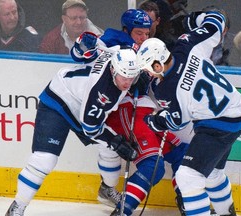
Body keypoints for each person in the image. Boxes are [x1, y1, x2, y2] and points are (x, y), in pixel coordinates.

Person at [71, 9, 191, 216]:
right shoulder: (113, 39)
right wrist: (82, 47)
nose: (144, 38)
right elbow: (81, 56)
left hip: (146, 107)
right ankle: (122, 211)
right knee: (152, 165)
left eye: (147, 33)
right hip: (125, 107)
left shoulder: (151, 46)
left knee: (183, 153)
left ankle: (187, 204)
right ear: (126, 30)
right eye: (138, 34)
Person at [5, 47, 140, 216]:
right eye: (124, 76)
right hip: (59, 100)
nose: (127, 82)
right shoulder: (103, 91)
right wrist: (116, 142)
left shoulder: (120, 59)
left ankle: (107, 188)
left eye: (132, 76)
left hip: (82, 100)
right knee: (45, 160)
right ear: (113, 70)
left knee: (109, 148)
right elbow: (90, 127)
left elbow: (101, 46)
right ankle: (17, 206)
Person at [137, 10, 241, 216]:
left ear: (158, 64)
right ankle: (227, 213)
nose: (147, 73)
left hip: (217, 125)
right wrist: (191, 20)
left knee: (187, 177)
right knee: (213, 173)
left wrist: (155, 121)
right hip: (236, 112)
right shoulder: (187, 45)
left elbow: (175, 121)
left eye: (148, 68)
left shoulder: (168, 90)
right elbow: (217, 19)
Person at [39, 0, 103, 54]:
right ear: (64, 19)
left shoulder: (100, 38)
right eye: (74, 18)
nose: (79, 22)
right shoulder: (51, 39)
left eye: (82, 17)